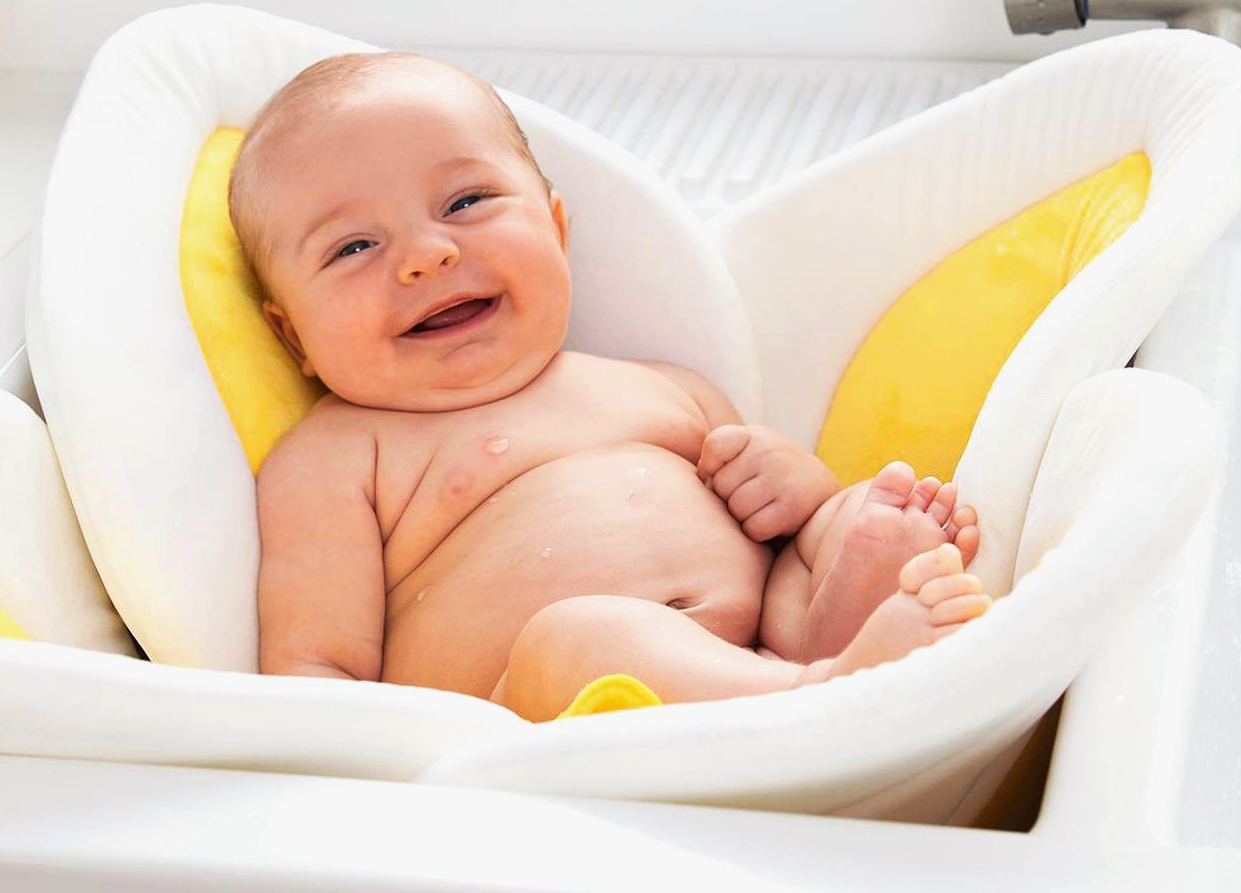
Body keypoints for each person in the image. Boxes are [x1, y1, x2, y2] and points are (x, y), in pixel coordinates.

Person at [232, 52, 988, 722]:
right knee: (581, 635)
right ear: (293, 335)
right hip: (554, 722)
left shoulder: (666, 390)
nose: (426, 255)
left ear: (556, 231)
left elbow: (775, 532)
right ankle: (824, 700)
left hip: (763, 650)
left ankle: (836, 654)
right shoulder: (338, 455)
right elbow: (315, 671)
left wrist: (801, 495)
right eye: (354, 246)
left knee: (861, 516)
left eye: (465, 203)